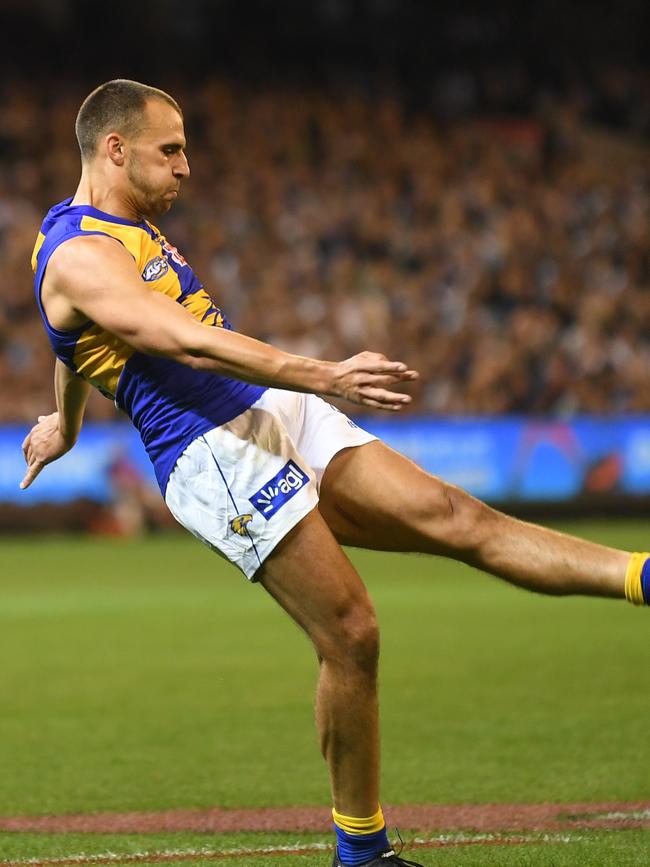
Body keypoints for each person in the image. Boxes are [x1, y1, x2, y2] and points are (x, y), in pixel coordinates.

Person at [21, 80, 649, 867]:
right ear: (114, 148)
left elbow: (71, 353)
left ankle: (643, 575)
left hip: (268, 408)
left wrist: (66, 426)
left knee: (457, 516)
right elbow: (175, 339)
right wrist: (321, 373)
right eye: (170, 149)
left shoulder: (121, 232)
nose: (187, 166)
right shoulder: (80, 255)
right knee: (351, 631)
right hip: (212, 448)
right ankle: (362, 850)